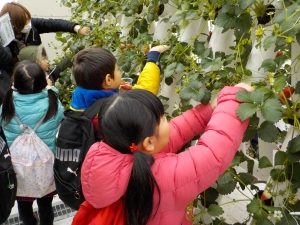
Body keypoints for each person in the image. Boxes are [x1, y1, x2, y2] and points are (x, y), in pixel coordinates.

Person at [80, 83, 254, 225]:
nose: (168, 121)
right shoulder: (162, 178)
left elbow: (175, 132)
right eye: (162, 118)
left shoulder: (124, 156)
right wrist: (233, 99)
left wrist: (207, 112)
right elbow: (213, 154)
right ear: (148, 142)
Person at [0, 60, 64, 225]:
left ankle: (29, 222)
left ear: (14, 83)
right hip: (45, 169)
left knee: (23, 207)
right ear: (44, 82)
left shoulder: (6, 104)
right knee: (45, 205)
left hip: (19, 169)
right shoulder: (53, 103)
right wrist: (52, 89)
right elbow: (61, 117)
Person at [70, 45, 169, 135]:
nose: (119, 72)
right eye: (117, 69)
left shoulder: (78, 100)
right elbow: (147, 92)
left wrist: (117, 90)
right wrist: (152, 57)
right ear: (108, 79)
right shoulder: (115, 109)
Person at [0, 2, 90, 66]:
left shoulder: (32, 26)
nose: (28, 23)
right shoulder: (5, 41)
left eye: (28, 18)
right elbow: (7, 61)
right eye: (24, 21)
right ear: (14, 24)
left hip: (38, 68)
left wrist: (76, 28)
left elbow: (53, 24)